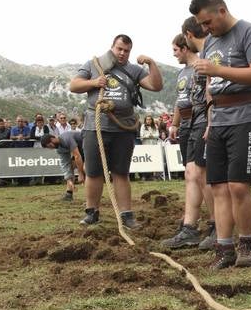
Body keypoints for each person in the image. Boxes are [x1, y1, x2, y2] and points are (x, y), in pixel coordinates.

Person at [189, 0, 251, 268]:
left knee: (238, 185)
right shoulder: (209, 41)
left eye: (207, 22)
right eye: (201, 24)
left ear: (221, 11)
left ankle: (246, 243)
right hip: (220, 119)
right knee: (218, 187)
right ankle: (224, 249)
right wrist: (210, 121)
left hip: (248, 116)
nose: (205, 28)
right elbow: (211, 85)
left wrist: (217, 70)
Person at [69, 34, 163, 229]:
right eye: (119, 49)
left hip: (123, 127)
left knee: (121, 172)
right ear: (112, 47)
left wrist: (152, 64)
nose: (122, 53)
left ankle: (127, 215)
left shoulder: (135, 70)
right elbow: (74, 85)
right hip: (96, 126)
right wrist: (94, 83)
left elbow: (156, 86)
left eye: (126, 50)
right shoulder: (93, 64)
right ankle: (91, 212)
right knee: (94, 172)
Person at [162, 28, 216, 249]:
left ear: (185, 47)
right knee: (190, 173)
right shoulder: (181, 73)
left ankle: (216, 225)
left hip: (202, 120)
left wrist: (211, 120)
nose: (174, 54)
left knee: (201, 173)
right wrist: (174, 124)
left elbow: (212, 93)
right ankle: (190, 227)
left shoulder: (203, 64)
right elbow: (180, 99)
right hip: (185, 124)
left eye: (175, 50)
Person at [41, 130, 86, 201]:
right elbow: (65, 164)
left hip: (88, 146)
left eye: (50, 146)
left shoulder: (66, 138)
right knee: (70, 167)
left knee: (85, 168)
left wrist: (80, 174)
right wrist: (69, 180)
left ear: (53, 139)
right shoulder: (59, 149)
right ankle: (69, 194)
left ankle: (93, 196)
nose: (51, 148)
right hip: (80, 151)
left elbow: (77, 156)